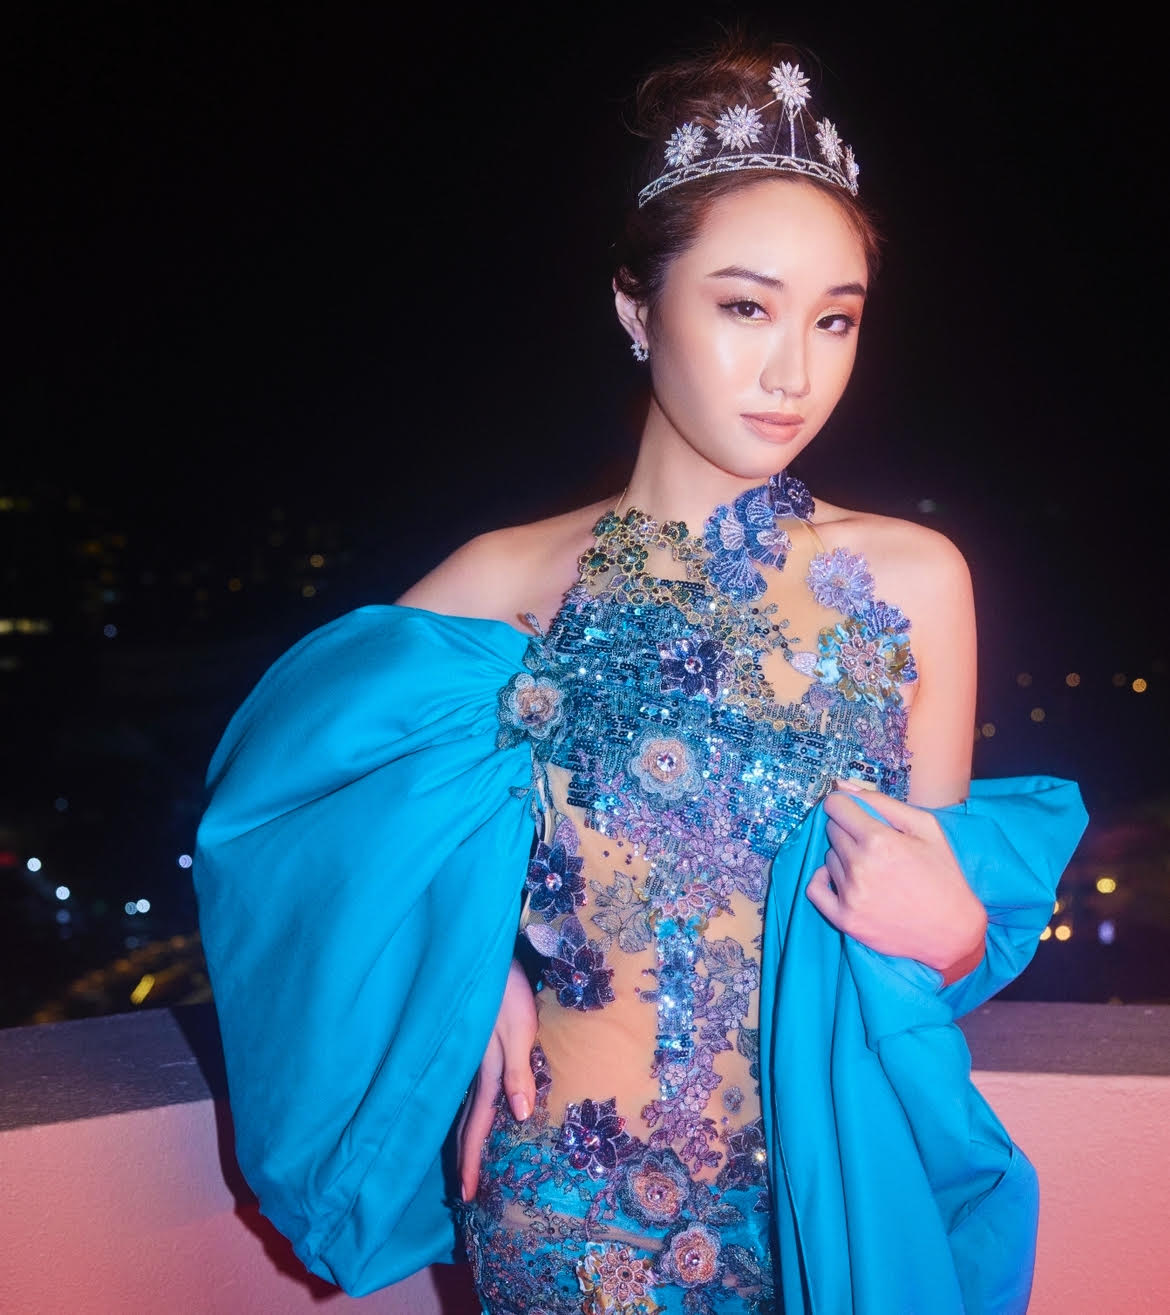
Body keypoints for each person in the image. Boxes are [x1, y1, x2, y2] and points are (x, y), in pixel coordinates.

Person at [193, 36, 1088, 1315]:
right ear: (635, 306)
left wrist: (955, 932)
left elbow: (924, 948)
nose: (794, 371)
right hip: (567, 1211)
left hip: (834, 1209)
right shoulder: (506, 578)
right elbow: (287, 815)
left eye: (834, 318)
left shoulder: (917, 581)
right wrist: (468, 969)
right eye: (744, 307)